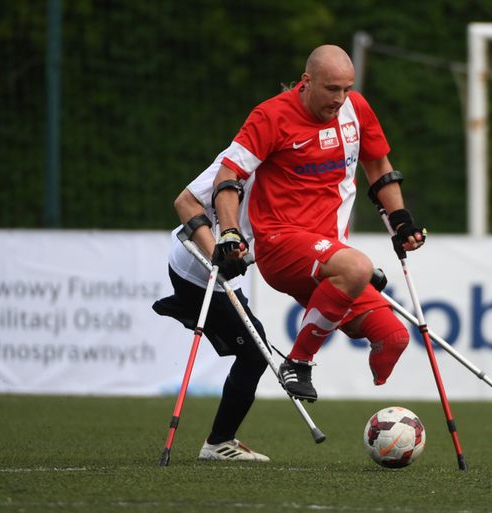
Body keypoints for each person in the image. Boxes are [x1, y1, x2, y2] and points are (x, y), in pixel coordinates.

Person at [212, 44, 426, 402]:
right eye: (332, 89)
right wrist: (230, 231)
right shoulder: (271, 116)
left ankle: (340, 293)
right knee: (358, 267)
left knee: (393, 336)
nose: (341, 98)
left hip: (329, 253)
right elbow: (227, 175)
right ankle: (299, 361)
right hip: (280, 245)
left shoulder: (356, 109)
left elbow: (378, 166)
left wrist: (401, 221)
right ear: (306, 81)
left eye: (347, 88)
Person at [152, 147, 270, 462]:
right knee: (256, 354)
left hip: (223, 277)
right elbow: (185, 203)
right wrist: (216, 251)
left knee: (254, 349)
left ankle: (220, 440)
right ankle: (219, 443)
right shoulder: (241, 157)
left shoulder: (301, 171)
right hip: (197, 270)